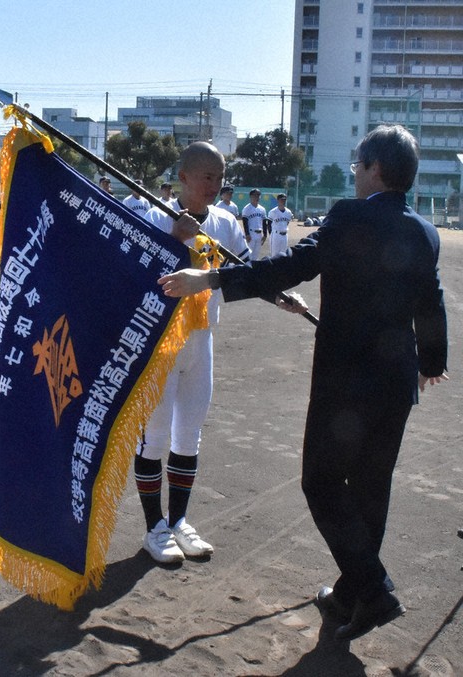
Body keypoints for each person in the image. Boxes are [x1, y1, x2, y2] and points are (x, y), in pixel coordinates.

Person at [158, 125, 448, 641]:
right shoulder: (424, 232)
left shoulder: (349, 217)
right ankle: (352, 594)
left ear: (375, 170)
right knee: (371, 487)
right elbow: (432, 300)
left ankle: (374, 589)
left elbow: (292, 265)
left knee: (321, 482)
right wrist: (431, 360)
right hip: (397, 379)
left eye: (360, 164)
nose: (356, 173)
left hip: (347, 383)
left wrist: (213, 279)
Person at [136, 141, 251, 564]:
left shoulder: (225, 221)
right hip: (161, 343)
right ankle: (155, 528)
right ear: (183, 177)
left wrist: (279, 295)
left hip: (202, 339)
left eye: (221, 178)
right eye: (207, 177)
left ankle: (179, 520)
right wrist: (171, 237)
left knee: (190, 433)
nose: (215, 185)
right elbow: (134, 273)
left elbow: (244, 271)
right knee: (156, 436)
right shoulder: (152, 215)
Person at [241, 188, 268, 260]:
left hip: (260, 234)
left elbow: (264, 222)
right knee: (249, 255)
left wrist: (265, 234)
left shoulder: (262, 209)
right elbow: (245, 222)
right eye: (255, 195)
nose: (257, 197)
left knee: (256, 256)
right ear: (251, 196)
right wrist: (247, 234)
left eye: (258, 195)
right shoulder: (247, 208)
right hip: (251, 233)